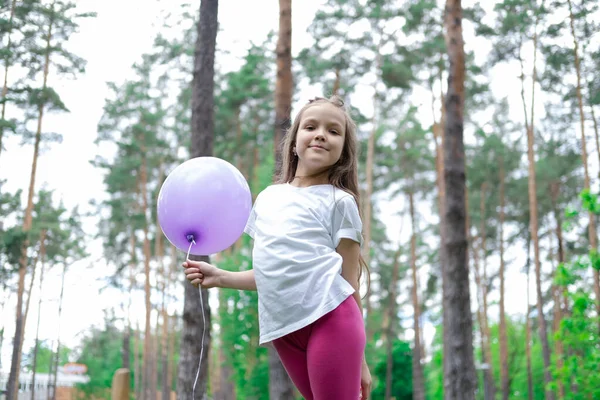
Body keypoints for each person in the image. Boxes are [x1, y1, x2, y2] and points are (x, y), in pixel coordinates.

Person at [182, 95, 372, 399]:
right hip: (285, 331)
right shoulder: (268, 198)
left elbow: (350, 282)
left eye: (334, 131)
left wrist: (359, 358)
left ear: (342, 153)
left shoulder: (340, 202)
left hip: (332, 320)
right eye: (311, 127)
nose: (322, 134)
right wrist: (220, 276)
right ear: (294, 143)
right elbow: (275, 272)